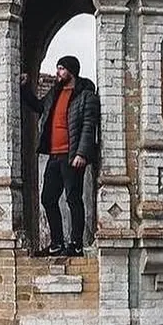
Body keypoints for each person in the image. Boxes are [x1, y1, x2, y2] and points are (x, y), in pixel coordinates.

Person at [19, 55, 100, 256]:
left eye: (61, 69)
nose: (58, 73)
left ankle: (76, 245)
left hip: (72, 156)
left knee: (73, 199)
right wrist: (24, 88)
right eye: (57, 69)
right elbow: (38, 107)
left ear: (71, 71)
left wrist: (81, 153)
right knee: (48, 198)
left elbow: (89, 127)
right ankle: (56, 243)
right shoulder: (54, 93)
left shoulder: (85, 96)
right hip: (54, 156)